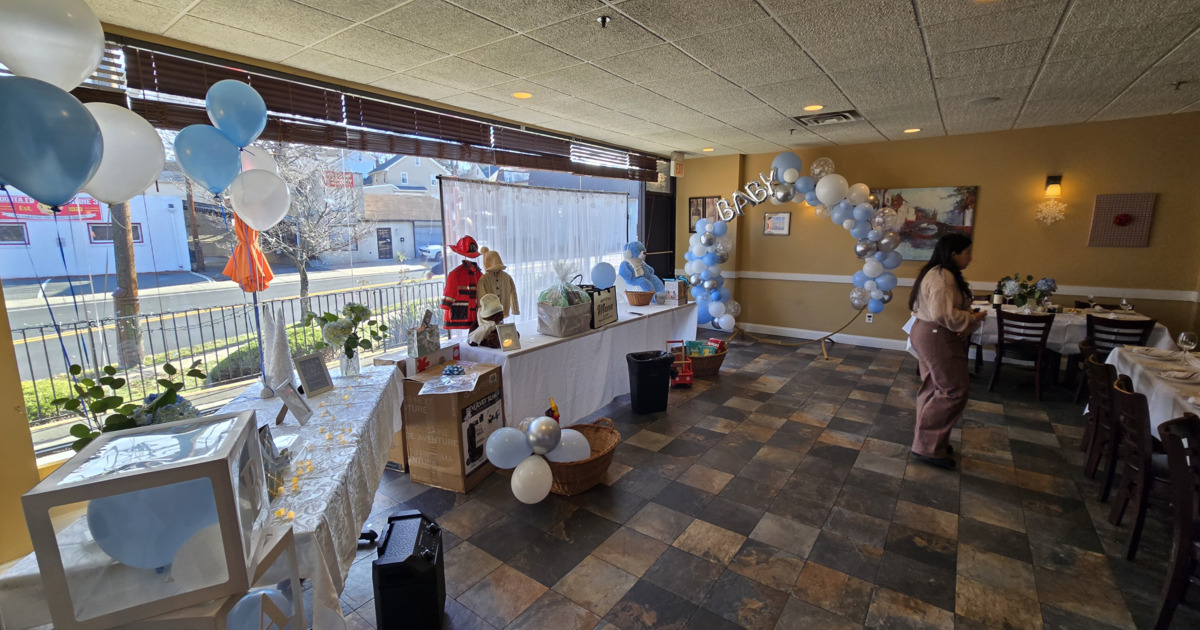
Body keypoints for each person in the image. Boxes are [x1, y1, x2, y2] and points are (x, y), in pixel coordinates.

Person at [907, 233, 987, 469]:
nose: (970, 258)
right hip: (936, 335)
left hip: (929, 332)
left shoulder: (939, 273)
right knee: (953, 390)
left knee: (934, 387)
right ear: (954, 254)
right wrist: (972, 318)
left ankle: (931, 441)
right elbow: (944, 315)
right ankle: (928, 446)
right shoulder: (942, 277)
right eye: (968, 253)